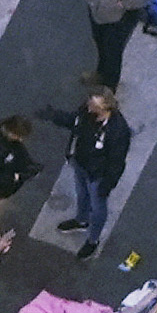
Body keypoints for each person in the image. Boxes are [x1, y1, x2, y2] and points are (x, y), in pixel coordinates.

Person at [42, 89, 131, 259]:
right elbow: (74, 121)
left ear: (105, 107)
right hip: (81, 163)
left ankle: (93, 240)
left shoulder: (118, 130)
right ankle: (81, 220)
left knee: (98, 207)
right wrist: (54, 116)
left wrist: (107, 184)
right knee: (82, 194)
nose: (88, 107)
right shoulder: (87, 113)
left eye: (93, 105)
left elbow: (117, 162)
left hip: (98, 175)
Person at [0, 115, 42, 200]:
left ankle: (28, 167)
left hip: (8, 153)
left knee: (20, 156)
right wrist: (17, 177)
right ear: (11, 133)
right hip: (1, 185)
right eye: (19, 137)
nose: (21, 140)